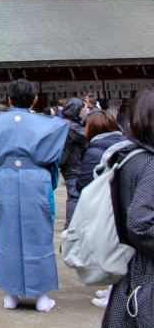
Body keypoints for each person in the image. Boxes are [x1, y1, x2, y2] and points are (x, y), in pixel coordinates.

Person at [0, 79, 69, 312]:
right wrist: (46, 184)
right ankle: (41, 297)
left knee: (8, 234)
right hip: (36, 178)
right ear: (35, 100)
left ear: (8, 100)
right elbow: (53, 162)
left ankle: (11, 295)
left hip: (5, 178)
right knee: (39, 234)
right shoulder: (49, 124)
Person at [101, 90, 154, 327]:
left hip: (129, 267)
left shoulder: (127, 156)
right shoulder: (150, 163)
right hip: (146, 270)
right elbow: (141, 223)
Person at [73, 110, 125, 310]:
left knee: (109, 249)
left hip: (106, 207)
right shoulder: (125, 143)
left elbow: (83, 183)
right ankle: (113, 288)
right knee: (120, 248)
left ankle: (114, 294)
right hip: (122, 203)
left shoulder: (95, 151)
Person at [60, 97, 87, 229]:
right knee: (74, 196)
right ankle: (70, 226)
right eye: (83, 109)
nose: (84, 111)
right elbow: (90, 137)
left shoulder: (65, 123)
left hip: (68, 166)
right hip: (73, 166)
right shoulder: (73, 127)